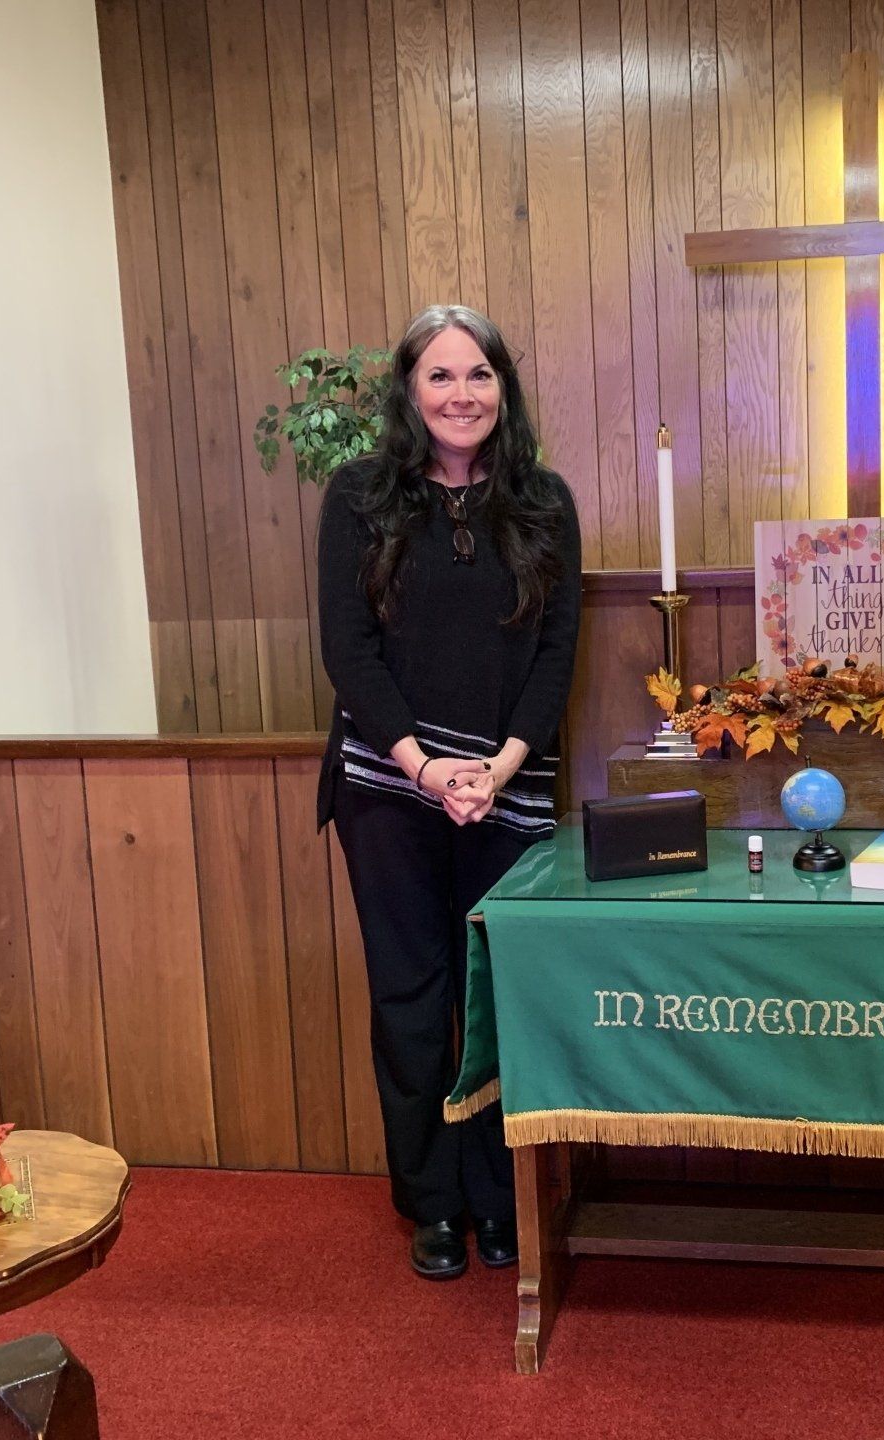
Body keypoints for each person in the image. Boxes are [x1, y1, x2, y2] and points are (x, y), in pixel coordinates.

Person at [316, 304, 581, 1280]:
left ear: (502, 389)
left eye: (479, 375)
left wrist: (498, 769)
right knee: (415, 999)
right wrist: (426, 768)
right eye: (440, 376)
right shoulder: (358, 498)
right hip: (388, 793)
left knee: (502, 1000)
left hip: (506, 796)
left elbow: (557, 656)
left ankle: (498, 1197)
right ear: (410, 391)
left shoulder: (544, 502)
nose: (461, 393)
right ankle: (431, 1203)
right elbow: (349, 651)